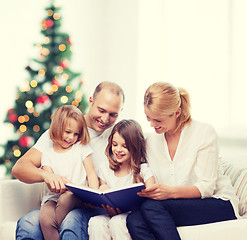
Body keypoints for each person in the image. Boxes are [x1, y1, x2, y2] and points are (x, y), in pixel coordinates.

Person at [126, 82, 240, 240]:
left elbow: (206, 187)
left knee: (151, 208)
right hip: (172, 205)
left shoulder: (204, 132)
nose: (151, 124)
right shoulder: (151, 141)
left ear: (177, 112)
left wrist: (169, 192)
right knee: (134, 220)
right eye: (148, 118)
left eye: (158, 120)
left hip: (217, 202)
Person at [12, 81, 125, 240]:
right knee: (28, 223)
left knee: (71, 221)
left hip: (91, 208)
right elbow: (19, 168)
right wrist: (47, 175)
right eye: (101, 110)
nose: (105, 119)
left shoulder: (119, 138)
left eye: (113, 114)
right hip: (56, 203)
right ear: (91, 101)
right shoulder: (61, 131)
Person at [88, 119, 155, 240]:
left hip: (133, 216)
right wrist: (103, 189)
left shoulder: (143, 170)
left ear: (135, 147)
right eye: (114, 144)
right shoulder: (105, 168)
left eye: (124, 146)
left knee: (117, 222)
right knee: (96, 222)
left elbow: (152, 195)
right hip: (111, 214)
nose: (118, 150)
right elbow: (102, 193)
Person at [39, 105, 99, 240]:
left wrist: (94, 195)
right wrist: (57, 182)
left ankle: (61, 229)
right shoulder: (47, 154)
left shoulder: (81, 147)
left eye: (76, 133)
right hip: (53, 197)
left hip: (77, 196)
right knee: (45, 218)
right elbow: (49, 179)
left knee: (67, 198)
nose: (71, 137)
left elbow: (91, 173)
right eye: (67, 132)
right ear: (56, 128)